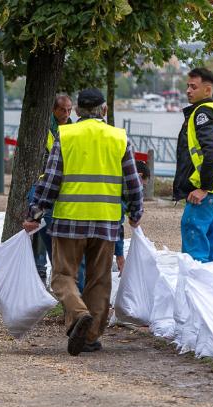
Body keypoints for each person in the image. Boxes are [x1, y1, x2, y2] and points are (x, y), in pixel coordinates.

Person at [23, 88, 144, 356]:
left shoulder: (65, 136)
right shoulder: (119, 137)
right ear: (104, 110)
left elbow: (51, 180)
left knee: (63, 276)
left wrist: (35, 214)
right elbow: (132, 182)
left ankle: (78, 314)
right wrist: (136, 211)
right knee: (99, 281)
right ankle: (90, 338)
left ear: (77, 111)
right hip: (106, 222)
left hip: (70, 220)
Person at [174, 68, 213, 263]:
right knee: (212, 240)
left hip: (211, 188)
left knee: (192, 229)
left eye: (193, 87)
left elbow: (211, 152)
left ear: (208, 90)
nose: (188, 90)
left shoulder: (202, 112)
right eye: (187, 86)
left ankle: (196, 287)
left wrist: (203, 188)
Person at [29, 94, 74, 284]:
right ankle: (40, 272)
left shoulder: (72, 128)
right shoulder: (44, 128)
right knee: (40, 226)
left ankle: (60, 274)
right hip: (43, 183)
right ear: (54, 110)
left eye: (69, 109)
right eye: (62, 110)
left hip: (64, 186)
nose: (66, 113)